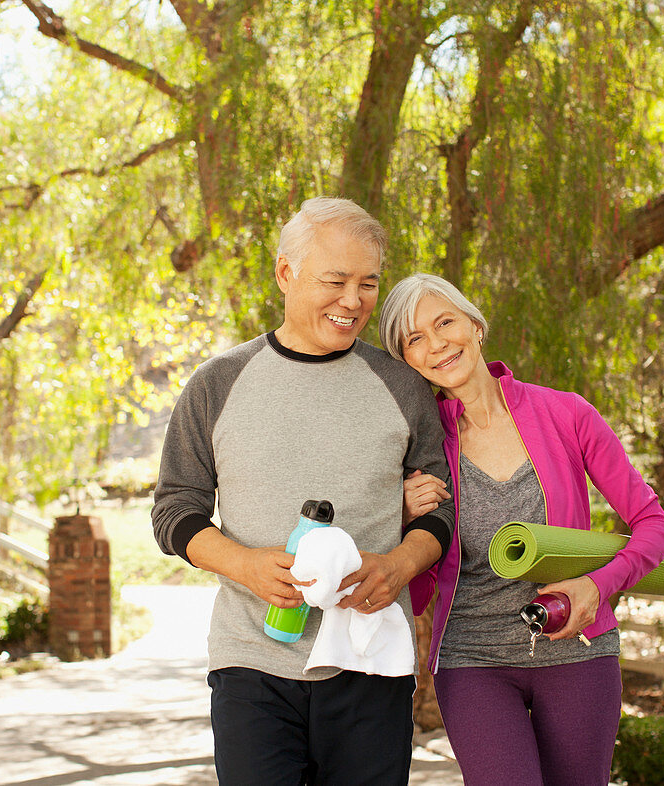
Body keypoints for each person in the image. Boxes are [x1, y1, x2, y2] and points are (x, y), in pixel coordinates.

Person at [151, 199, 456, 786]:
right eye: (335, 280)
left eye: (368, 283)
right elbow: (174, 510)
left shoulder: (404, 385)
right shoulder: (217, 383)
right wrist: (243, 564)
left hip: (371, 662)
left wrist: (397, 565)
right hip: (251, 664)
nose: (354, 300)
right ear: (286, 274)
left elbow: (438, 512)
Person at [379, 273, 664, 786]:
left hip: (578, 650)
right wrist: (399, 516)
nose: (437, 344)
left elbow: (653, 525)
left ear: (474, 324)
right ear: (406, 361)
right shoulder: (418, 450)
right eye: (415, 339)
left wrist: (596, 586)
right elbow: (411, 581)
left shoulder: (567, 414)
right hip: (472, 659)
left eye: (444, 322)